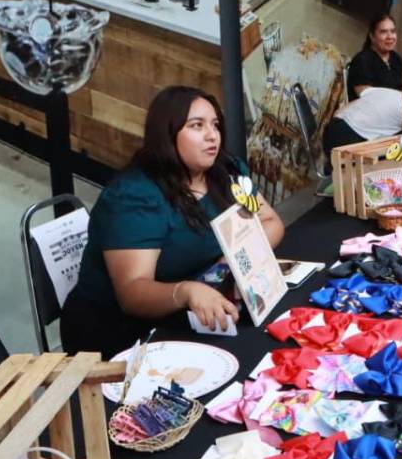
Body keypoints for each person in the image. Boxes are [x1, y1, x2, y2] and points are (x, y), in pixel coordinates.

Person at [61, 86, 285, 358]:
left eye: (215, 124)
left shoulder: (225, 171)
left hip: (198, 312)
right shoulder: (134, 197)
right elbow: (133, 293)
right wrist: (187, 291)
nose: (212, 135)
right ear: (167, 134)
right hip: (123, 335)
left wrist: (234, 262)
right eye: (197, 125)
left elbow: (270, 221)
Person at [346, 14, 402, 101]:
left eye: (393, 31)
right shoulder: (362, 61)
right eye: (383, 32)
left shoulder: (396, 59)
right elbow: (367, 98)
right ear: (372, 36)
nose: (390, 37)